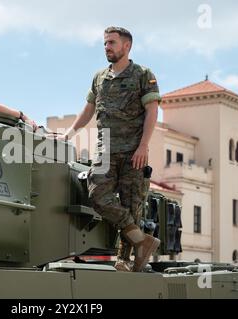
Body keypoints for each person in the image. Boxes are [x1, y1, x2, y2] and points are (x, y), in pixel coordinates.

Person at [58, 27, 161, 272]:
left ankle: (123, 260)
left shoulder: (143, 75)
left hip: (133, 151)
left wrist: (144, 146)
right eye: (105, 43)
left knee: (131, 204)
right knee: (97, 195)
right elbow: (89, 109)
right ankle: (141, 240)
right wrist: (69, 134)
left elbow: (152, 111)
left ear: (127, 46)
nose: (107, 47)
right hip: (105, 150)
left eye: (112, 43)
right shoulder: (99, 77)